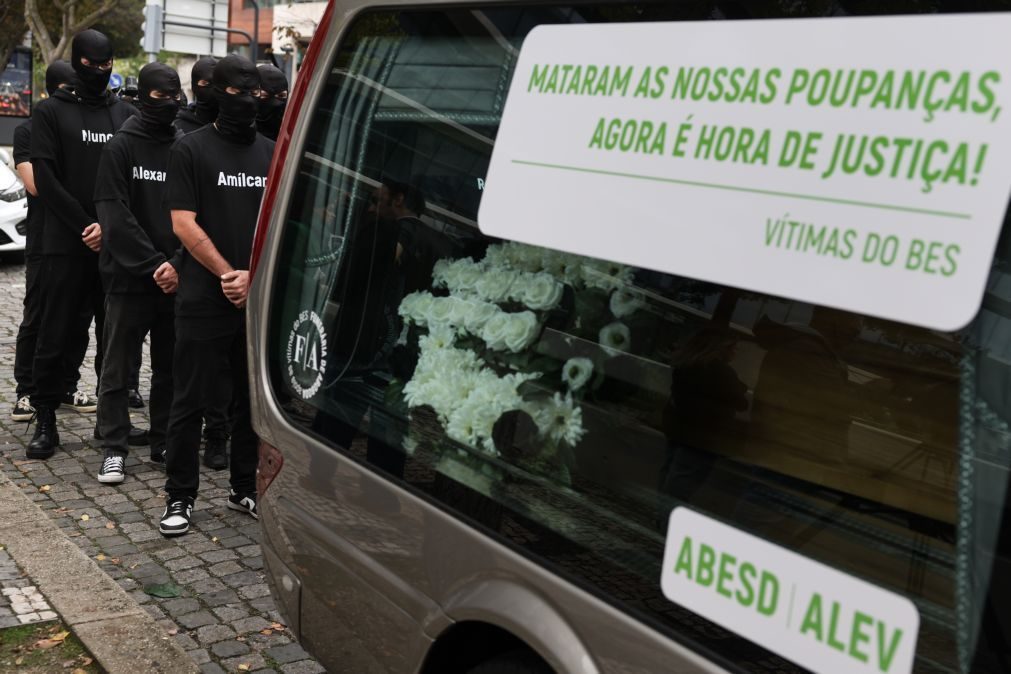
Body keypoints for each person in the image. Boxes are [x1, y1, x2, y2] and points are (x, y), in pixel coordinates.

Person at [160, 54, 273, 535]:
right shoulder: (190, 150)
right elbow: (183, 222)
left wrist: (255, 277)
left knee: (251, 404)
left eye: (256, 94)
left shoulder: (273, 153)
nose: (247, 101)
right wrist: (230, 274)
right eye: (235, 92)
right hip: (205, 298)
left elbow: (281, 224)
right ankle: (179, 496)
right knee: (190, 399)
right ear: (213, 92)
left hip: (256, 301)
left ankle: (244, 486)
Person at [27, 29, 138, 459]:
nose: (99, 71)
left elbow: (131, 180)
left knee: (114, 338)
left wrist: (110, 227)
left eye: (106, 64)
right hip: (65, 243)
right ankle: (46, 418)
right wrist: (85, 225)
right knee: (57, 334)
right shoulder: (50, 111)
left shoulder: (124, 114)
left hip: (113, 246)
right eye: (91, 65)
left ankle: (111, 424)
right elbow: (47, 178)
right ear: (77, 64)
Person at [93, 62, 184, 483]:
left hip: (174, 279)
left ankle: (162, 439)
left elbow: (194, 215)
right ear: (142, 96)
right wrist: (155, 265)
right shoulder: (120, 148)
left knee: (169, 367)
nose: (170, 104)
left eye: (175, 95)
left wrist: (176, 264)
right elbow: (115, 215)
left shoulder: (184, 146)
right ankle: (114, 445)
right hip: (130, 279)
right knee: (117, 366)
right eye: (161, 96)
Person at [11, 61, 95, 422]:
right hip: (46, 241)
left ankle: (65, 384)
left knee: (78, 317)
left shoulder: (83, 128)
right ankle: (26, 391)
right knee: (39, 317)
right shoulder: (29, 130)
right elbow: (35, 183)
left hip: (83, 241)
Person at [175, 57, 217, 134]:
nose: (212, 89)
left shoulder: (229, 126)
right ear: (194, 86)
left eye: (217, 83)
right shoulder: (178, 127)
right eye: (205, 83)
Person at [255, 64, 288, 141]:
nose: (275, 103)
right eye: (264, 95)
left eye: (281, 95)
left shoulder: (295, 132)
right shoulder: (237, 134)